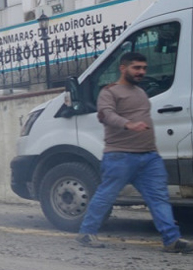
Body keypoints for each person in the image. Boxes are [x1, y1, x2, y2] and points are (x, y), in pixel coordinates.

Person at [76, 51, 193, 253]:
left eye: (144, 68)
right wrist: (127, 124)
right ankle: (87, 233)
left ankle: (172, 240)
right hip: (120, 155)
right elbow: (106, 115)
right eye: (136, 68)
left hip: (149, 157)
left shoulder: (141, 92)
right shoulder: (110, 92)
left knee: (159, 198)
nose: (141, 72)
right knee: (106, 195)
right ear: (123, 68)